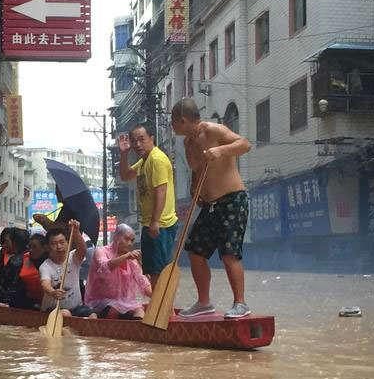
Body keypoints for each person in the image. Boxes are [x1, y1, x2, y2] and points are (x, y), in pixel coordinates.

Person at [171, 97, 252, 318]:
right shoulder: (188, 144)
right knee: (195, 250)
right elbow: (196, 171)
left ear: (182, 120)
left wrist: (221, 151)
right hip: (209, 205)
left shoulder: (214, 131)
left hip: (232, 200)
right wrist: (194, 189)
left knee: (228, 253)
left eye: (172, 121)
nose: (171, 126)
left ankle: (241, 303)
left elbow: (245, 143)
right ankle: (204, 302)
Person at [117, 123, 178, 288]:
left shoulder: (156, 159)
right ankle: (161, 309)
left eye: (141, 140)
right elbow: (125, 175)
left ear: (152, 138)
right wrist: (123, 154)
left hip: (161, 224)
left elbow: (161, 191)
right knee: (153, 270)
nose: (137, 145)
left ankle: (163, 310)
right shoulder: (144, 161)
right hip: (150, 223)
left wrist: (155, 221)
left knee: (160, 270)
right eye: (134, 141)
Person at [84, 224, 152, 319]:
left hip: (124, 302)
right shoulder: (101, 251)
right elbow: (104, 267)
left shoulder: (132, 261)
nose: (129, 243)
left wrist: (160, 296)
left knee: (139, 310)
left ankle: (137, 332)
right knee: (114, 310)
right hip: (100, 301)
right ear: (116, 237)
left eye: (132, 240)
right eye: (126, 239)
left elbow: (144, 284)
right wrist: (126, 257)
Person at [39, 220, 97, 319]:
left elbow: (82, 249)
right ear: (47, 248)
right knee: (65, 314)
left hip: (76, 308)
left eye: (62, 242)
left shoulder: (73, 257)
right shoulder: (45, 266)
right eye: (54, 244)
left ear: (67, 243)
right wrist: (53, 292)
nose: (59, 247)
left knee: (93, 315)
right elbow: (45, 284)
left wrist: (75, 231)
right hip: (53, 309)